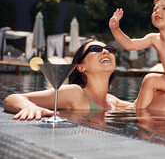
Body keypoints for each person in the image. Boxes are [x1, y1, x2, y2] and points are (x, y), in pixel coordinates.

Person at [3, 40, 131, 120]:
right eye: (95, 49)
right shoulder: (75, 93)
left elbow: (141, 104)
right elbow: (12, 99)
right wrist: (30, 107)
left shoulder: (111, 100)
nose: (105, 51)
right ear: (81, 67)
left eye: (110, 49)